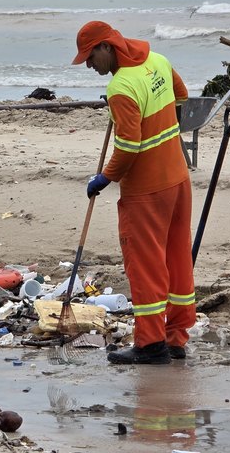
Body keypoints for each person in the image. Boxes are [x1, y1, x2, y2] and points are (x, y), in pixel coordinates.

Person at [71, 21, 195, 364]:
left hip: (147, 190)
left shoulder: (121, 88)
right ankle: (176, 339)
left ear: (107, 47)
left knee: (146, 266)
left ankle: (151, 345)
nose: (87, 64)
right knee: (177, 259)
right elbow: (181, 95)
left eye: (90, 56)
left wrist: (105, 178)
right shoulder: (157, 60)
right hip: (178, 179)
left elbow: (128, 147)